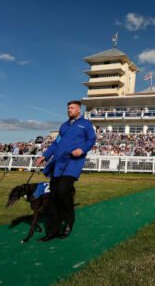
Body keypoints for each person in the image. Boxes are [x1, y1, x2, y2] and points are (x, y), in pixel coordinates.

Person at [36, 101, 96, 241]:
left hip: (73, 162)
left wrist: (82, 149)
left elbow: (92, 139)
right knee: (54, 196)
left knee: (62, 190)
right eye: (68, 108)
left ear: (79, 110)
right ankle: (52, 231)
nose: (69, 110)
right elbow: (56, 143)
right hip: (58, 162)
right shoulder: (63, 126)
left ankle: (69, 221)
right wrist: (44, 156)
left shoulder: (86, 124)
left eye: (72, 108)